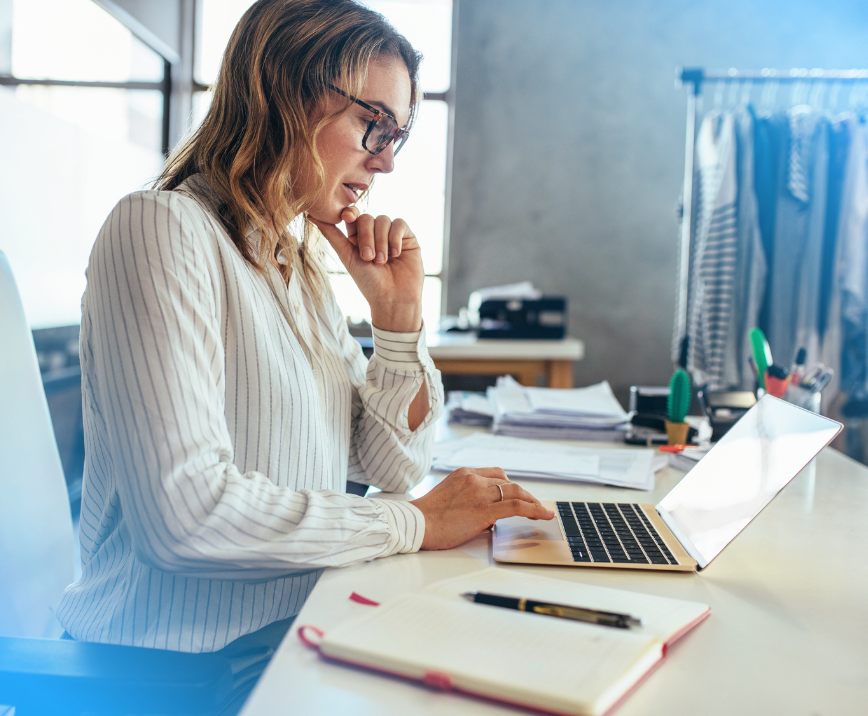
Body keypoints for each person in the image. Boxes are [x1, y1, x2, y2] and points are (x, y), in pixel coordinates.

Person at [56, 0, 552, 702]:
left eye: (397, 136)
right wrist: (412, 522)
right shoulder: (162, 229)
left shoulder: (299, 263)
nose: (383, 159)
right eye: (372, 123)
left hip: (292, 638)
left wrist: (399, 322)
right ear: (285, 92)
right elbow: (186, 517)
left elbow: (391, 462)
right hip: (176, 677)